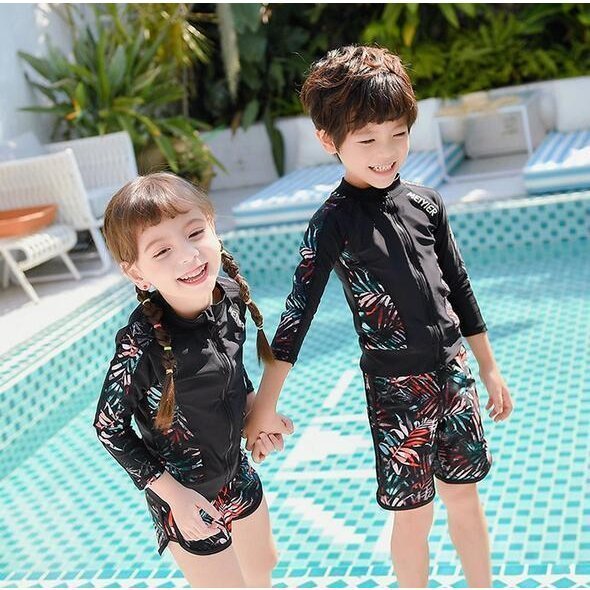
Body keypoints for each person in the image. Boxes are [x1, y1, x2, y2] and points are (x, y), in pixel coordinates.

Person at [244, 45, 514, 588]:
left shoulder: (427, 203)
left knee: (465, 497)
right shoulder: (333, 223)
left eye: (398, 134)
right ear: (329, 140)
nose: (386, 152)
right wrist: (265, 405)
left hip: (454, 372)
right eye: (367, 140)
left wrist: (489, 367)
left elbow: (459, 290)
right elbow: (297, 316)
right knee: (414, 516)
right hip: (397, 390)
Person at [93, 172, 292, 588]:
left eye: (195, 233)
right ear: (137, 273)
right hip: (186, 497)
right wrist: (175, 497)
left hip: (236, 475)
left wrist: (256, 415)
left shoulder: (230, 297)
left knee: (264, 567)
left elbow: (231, 371)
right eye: (162, 250)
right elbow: (109, 427)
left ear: (213, 228)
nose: (188, 255)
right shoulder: (141, 344)